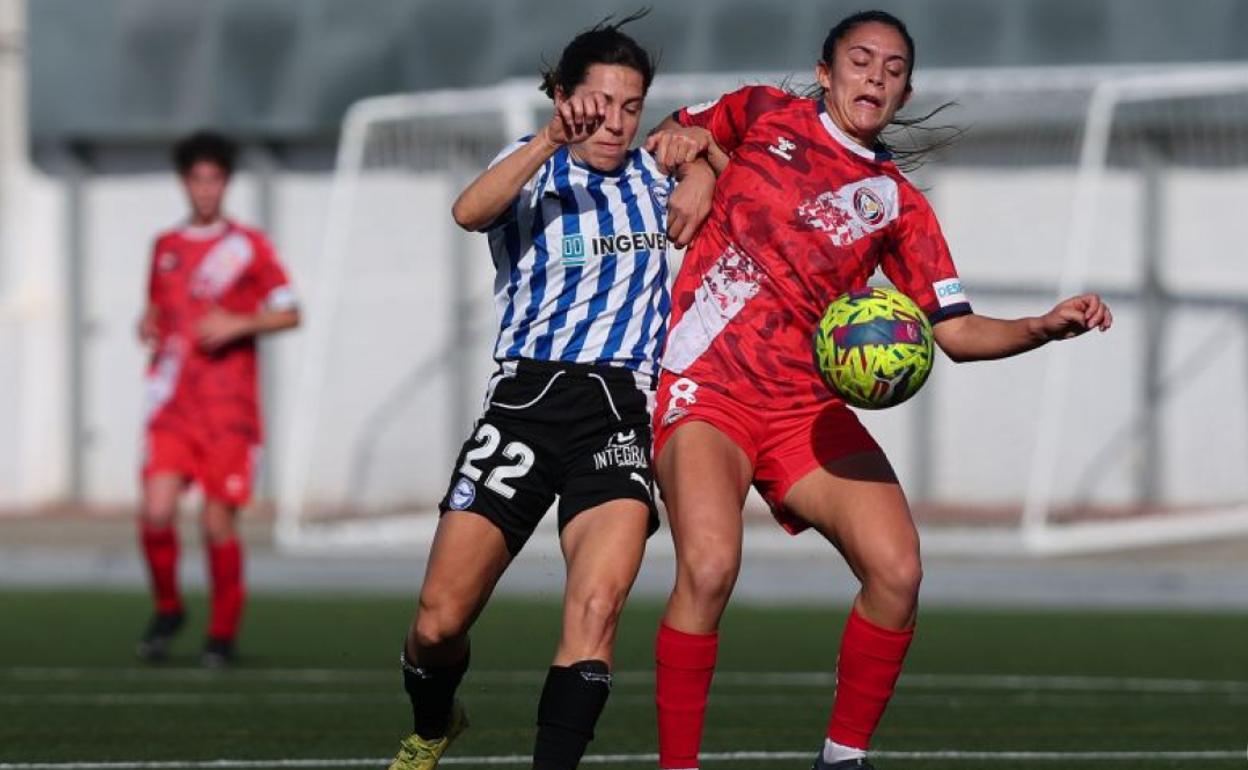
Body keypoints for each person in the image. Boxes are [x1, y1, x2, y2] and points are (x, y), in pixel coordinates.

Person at [643, 10, 1113, 770]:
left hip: (805, 410)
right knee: (708, 567)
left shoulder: (897, 202)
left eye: (893, 70)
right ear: (825, 72)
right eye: (861, 61)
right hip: (708, 386)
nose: (876, 78)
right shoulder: (762, 110)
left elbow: (954, 333)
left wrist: (1042, 326)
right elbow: (668, 134)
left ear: (905, 91)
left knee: (897, 571)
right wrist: (697, 162)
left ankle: (843, 758)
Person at [385, 12, 714, 770]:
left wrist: (701, 161)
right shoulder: (535, 168)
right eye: (599, 104)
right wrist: (545, 140)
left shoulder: (654, 174)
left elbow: (735, 173)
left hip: (618, 416)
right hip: (525, 406)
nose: (616, 122)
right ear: (565, 98)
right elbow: (469, 211)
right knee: (438, 623)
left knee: (596, 612)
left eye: (631, 108)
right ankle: (434, 723)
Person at [135, 130, 300, 667]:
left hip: (228, 411)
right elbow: (157, 313)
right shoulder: (165, 247)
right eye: (197, 179)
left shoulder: (248, 247)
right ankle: (168, 607)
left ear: (225, 183)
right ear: (185, 183)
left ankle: (221, 635)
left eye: (215, 179)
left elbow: (290, 311)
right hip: (174, 407)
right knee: (156, 512)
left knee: (214, 523)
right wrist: (149, 325)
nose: (205, 189)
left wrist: (239, 322)